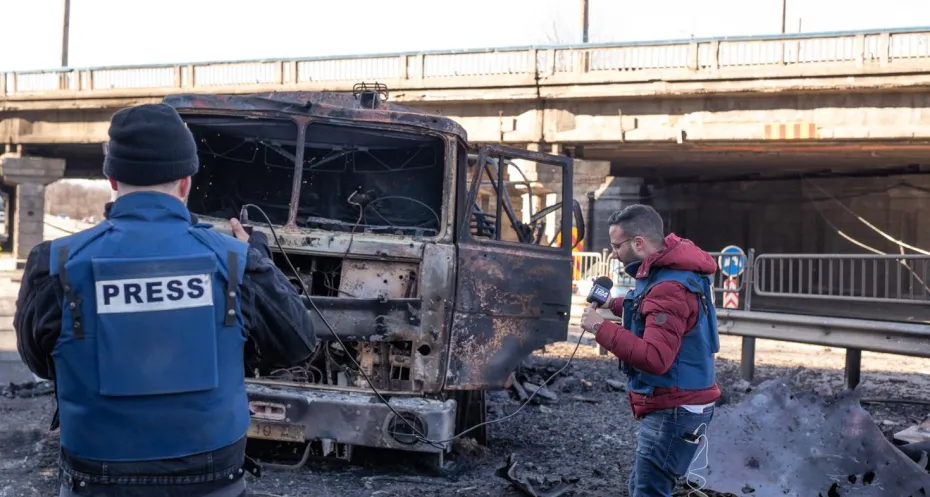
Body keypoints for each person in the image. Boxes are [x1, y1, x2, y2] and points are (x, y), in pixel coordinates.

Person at [14, 103, 317, 497]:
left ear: (112, 179)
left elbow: (40, 361)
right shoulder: (235, 261)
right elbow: (297, 344)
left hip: (97, 478)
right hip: (212, 479)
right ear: (187, 182)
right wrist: (258, 261)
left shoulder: (55, 263)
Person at [579, 204, 720, 497]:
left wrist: (599, 328)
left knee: (649, 492)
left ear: (638, 243)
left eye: (616, 245)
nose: (613, 253)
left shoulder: (668, 287)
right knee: (642, 486)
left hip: (674, 408)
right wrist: (614, 305)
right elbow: (654, 310)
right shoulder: (674, 272)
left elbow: (655, 359)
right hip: (683, 401)